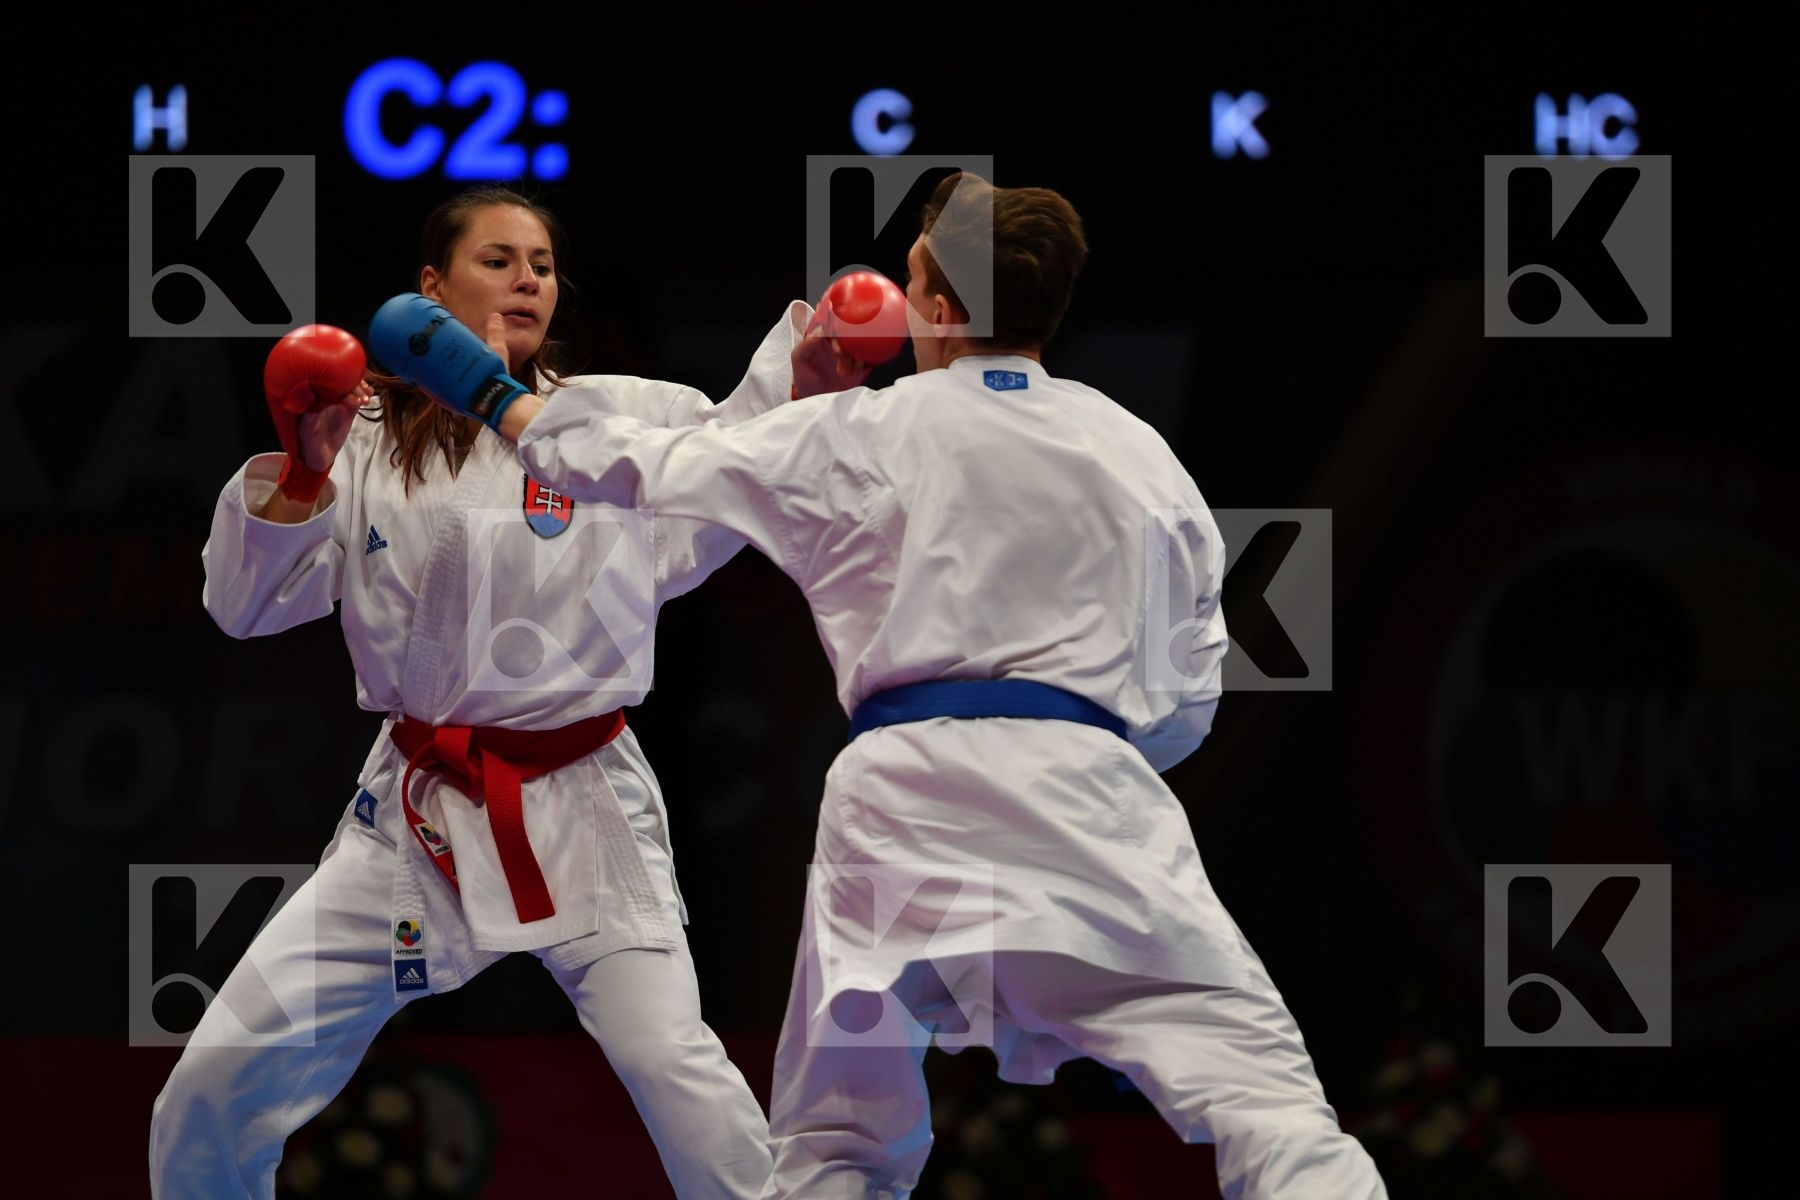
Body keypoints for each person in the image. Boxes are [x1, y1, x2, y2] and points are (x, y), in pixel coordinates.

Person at [421, 172, 1388, 1197]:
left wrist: (489, 392)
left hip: (899, 818)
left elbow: (643, 472)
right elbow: (1190, 692)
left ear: (933, 308)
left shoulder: (863, 432)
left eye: (913, 272)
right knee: (1266, 1104)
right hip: (1092, 803)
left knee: (841, 1143)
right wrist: (1078, 747)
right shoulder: (1139, 454)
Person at [149, 185, 808, 1199]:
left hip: (582, 805)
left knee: (678, 1074)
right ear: (431, 288)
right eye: (497, 260)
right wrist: (305, 472)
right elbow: (245, 608)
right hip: (417, 821)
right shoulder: (360, 432)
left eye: (540, 265)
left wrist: (803, 378)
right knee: (214, 1085)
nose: (526, 280)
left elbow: (725, 470)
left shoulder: (606, 421)